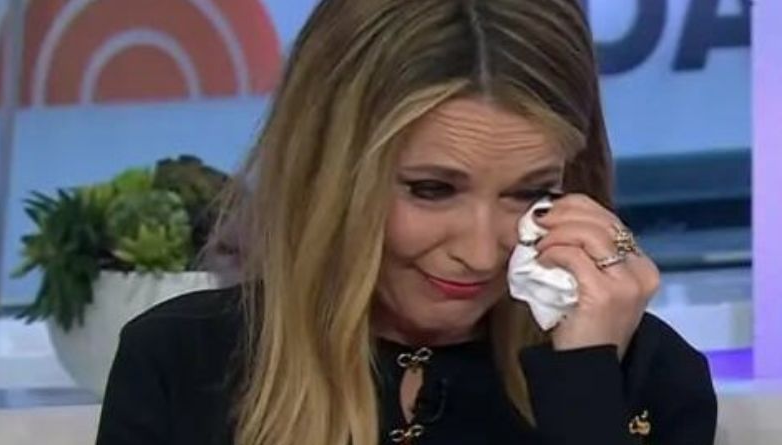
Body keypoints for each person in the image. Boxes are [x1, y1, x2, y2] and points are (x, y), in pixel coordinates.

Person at [95, 0, 717, 444]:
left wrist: (585, 388)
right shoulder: (181, 360)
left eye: (531, 193)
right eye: (431, 190)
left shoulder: (647, 373)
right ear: (330, 173)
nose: (481, 252)